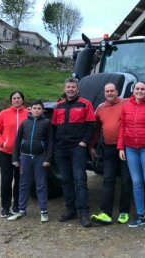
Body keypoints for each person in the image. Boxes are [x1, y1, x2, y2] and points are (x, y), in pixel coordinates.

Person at [51, 78, 96, 228]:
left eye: (73, 87)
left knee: (80, 180)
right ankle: (71, 210)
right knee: (66, 180)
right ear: (65, 89)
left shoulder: (85, 103)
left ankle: (83, 212)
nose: (70, 89)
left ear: (77, 90)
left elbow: (91, 125)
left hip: (77, 148)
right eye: (68, 87)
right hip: (61, 149)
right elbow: (54, 127)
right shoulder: (59, 106)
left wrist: (84, 142)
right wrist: (55, 146)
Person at [117, 81, 145, 231]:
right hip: (130, 148)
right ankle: (141, 215)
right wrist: (121, 147)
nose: (140, 91)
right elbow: (123, 127)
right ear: (133, 90)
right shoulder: (126, 106)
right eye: (137, 89)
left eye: (142, 89)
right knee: (136, 182)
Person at [89, 83, 133, 225]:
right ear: (104, 93)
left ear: (117, 92)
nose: (109, 93)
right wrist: (92, 146)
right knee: (108, 180)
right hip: (108, 149)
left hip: (125, 148)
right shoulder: (101, 108)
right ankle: (106, 213)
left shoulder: (126, 102)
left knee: (126, 180)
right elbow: (95, 129)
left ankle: (124, 212)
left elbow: (141, 98)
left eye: (112, 91)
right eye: (107, 91)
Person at [7, 100, 54, 223]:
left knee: (41, 185)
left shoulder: (46, 123)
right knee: (23, 184)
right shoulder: (24, 123)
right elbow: (17, 142)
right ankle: (22, 210)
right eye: (34, 108)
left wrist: (48, 159)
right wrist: (15, 158)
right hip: (25, 157)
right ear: (30, 109)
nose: (36, 110)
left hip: (40, 158)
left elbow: (50, 142)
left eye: (39, 108)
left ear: (43, 110)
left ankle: (43, 211)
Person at [0, 91, 28, 218]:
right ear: (11, 101)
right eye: (14, 98)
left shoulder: (28, 114)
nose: (17, 100)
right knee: (6, 180)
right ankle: (5, 207)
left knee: (20, 180)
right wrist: (2, 143)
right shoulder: (4, 113)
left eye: (19, 98)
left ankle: (17, 206)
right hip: (5, 153)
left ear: (23, 100)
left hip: (22, 153)